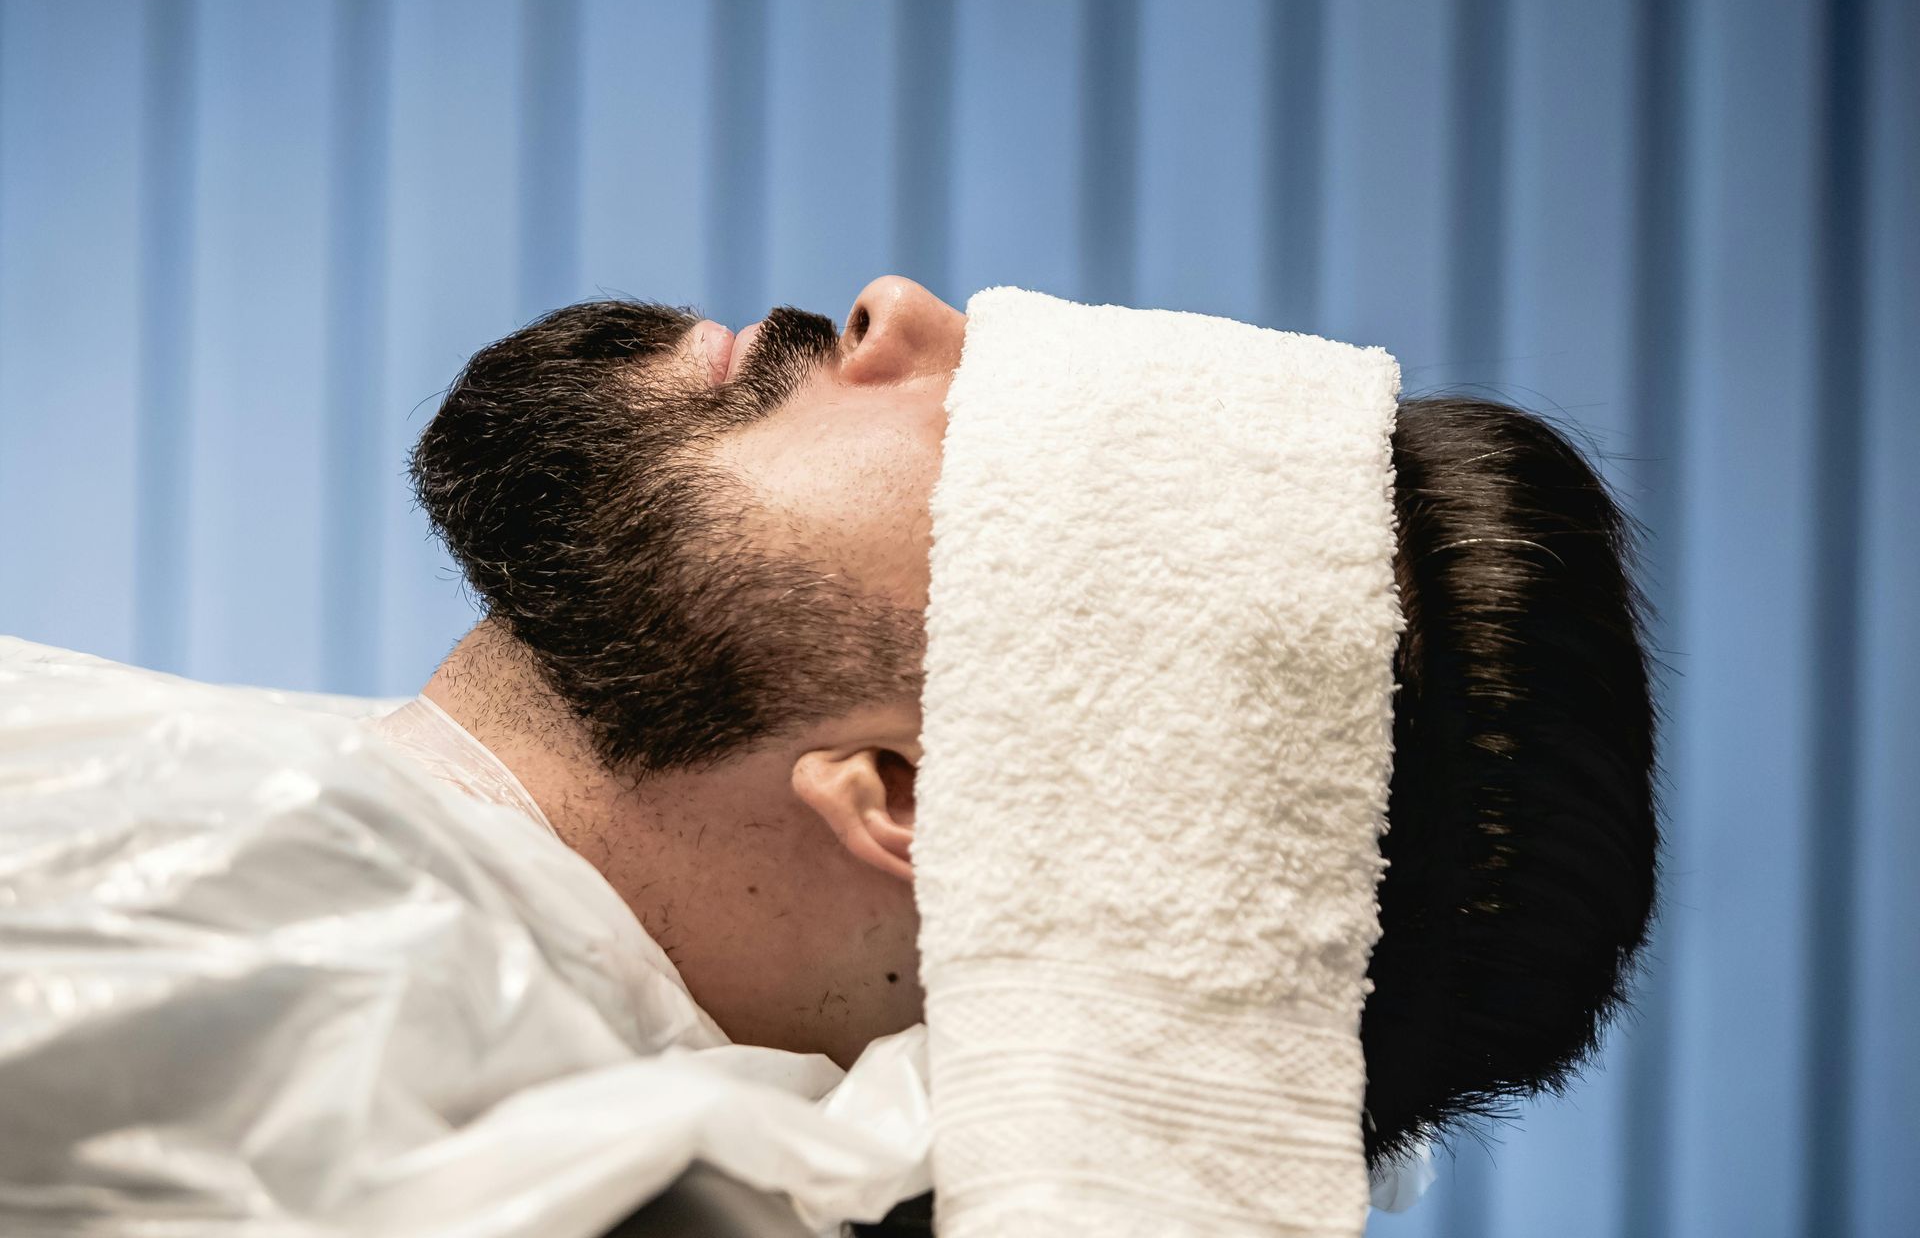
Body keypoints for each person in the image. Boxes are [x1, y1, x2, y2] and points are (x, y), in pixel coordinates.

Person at [0, 275, 1661, 1228]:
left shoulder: (277, 1013)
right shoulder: (342, 916)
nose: (896, 310)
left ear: (921, 799)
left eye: (1020, 435)